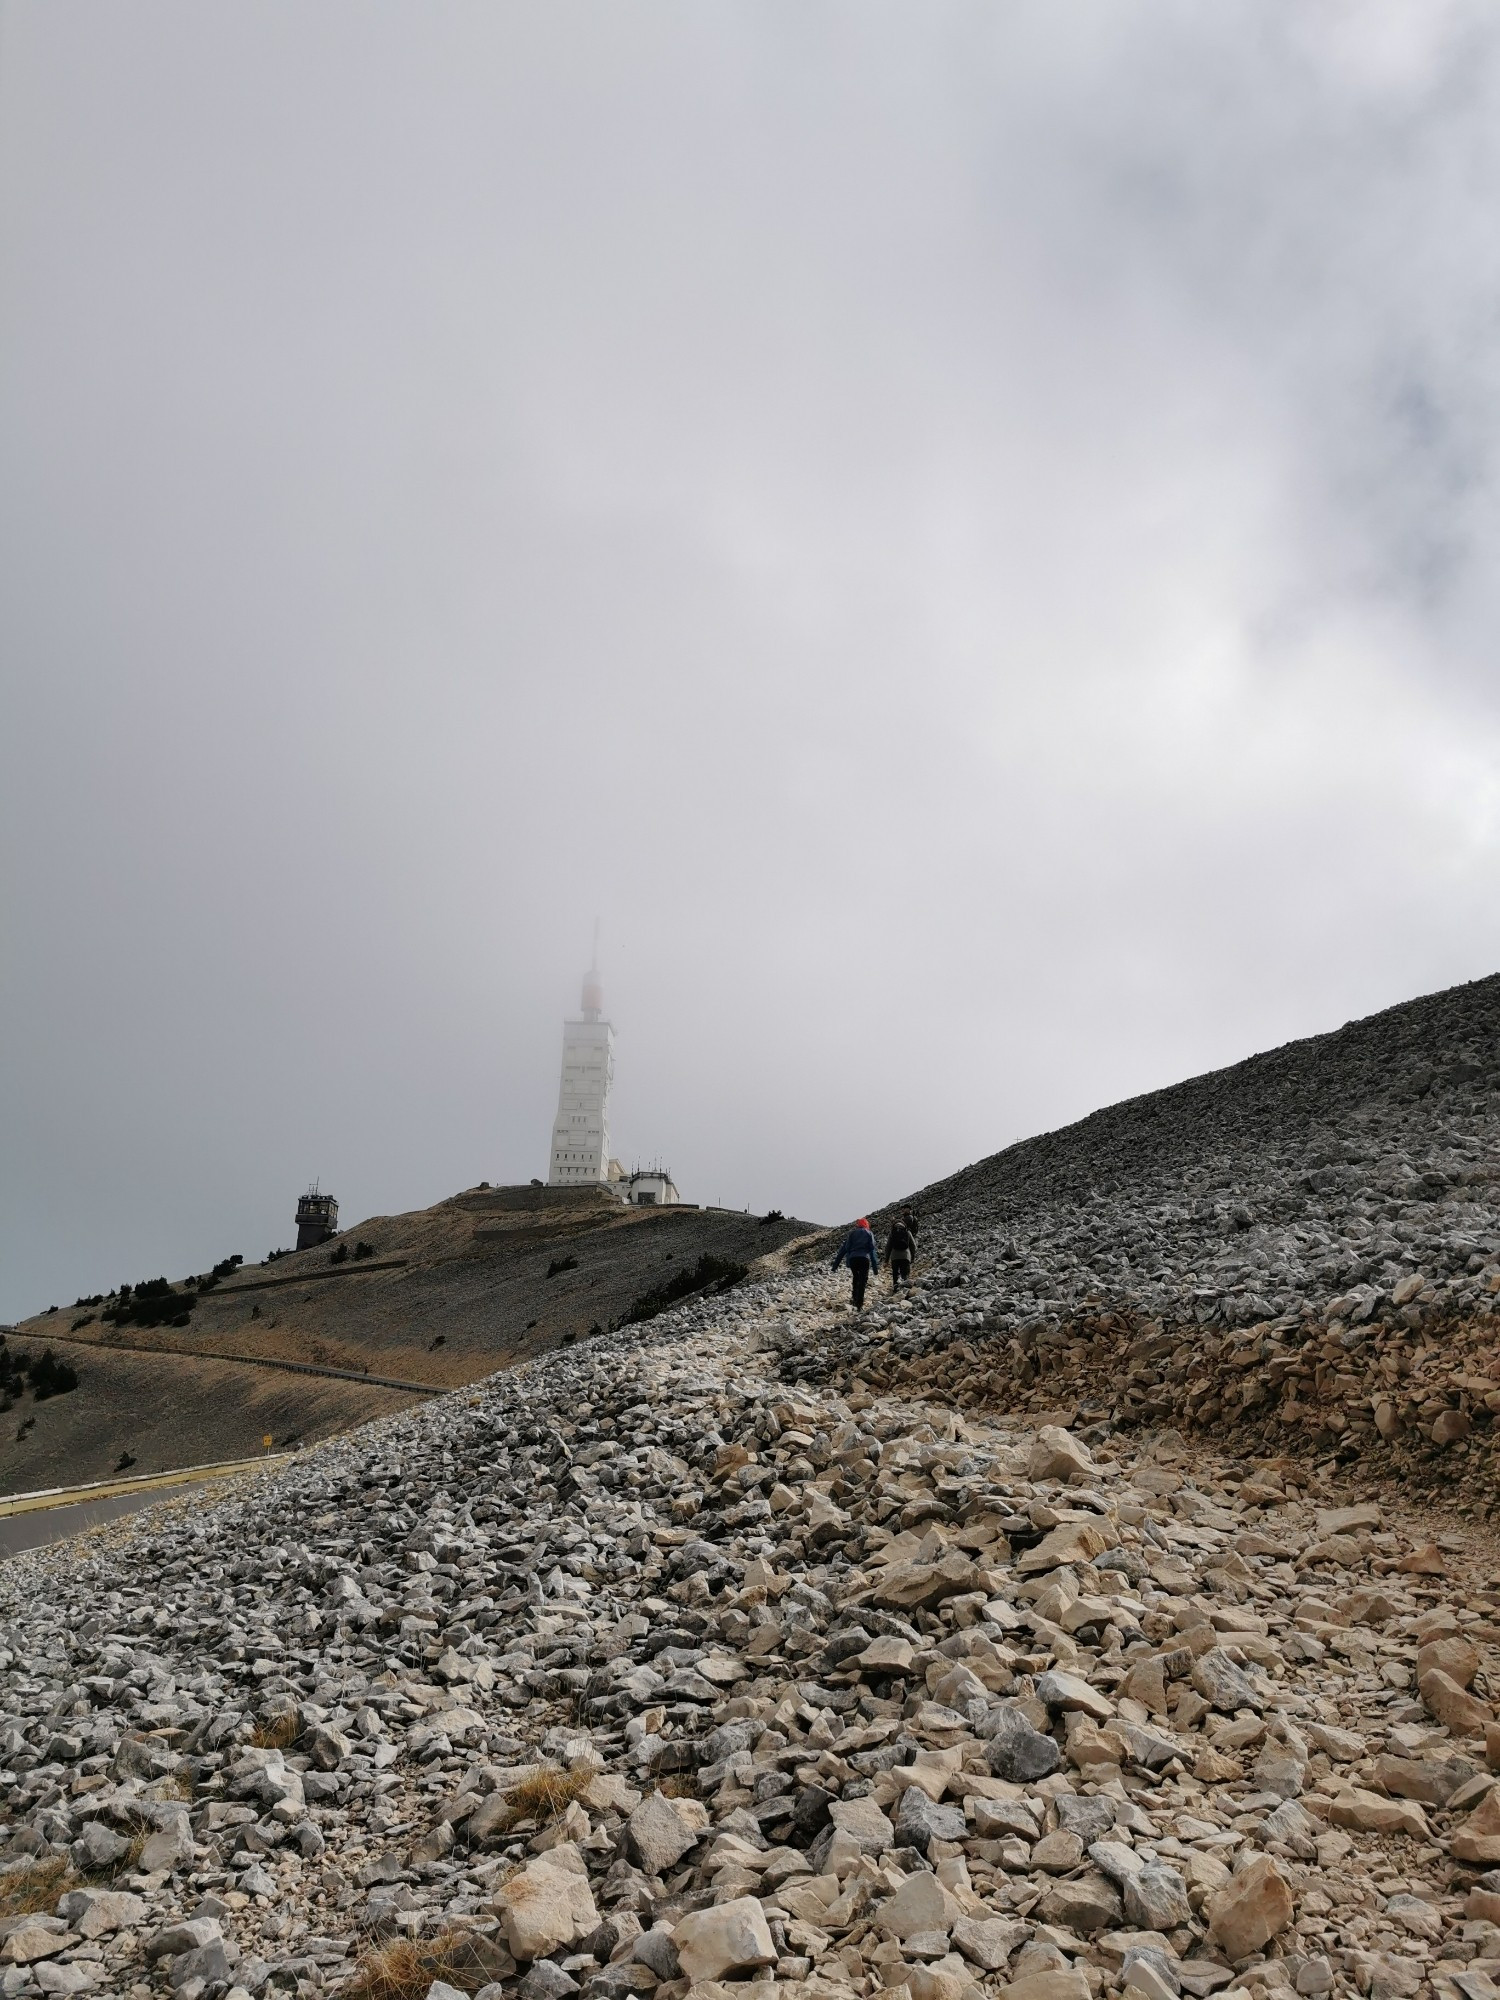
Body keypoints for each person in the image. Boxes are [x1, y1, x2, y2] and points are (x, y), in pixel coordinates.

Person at [831, 1216, 879, 1309]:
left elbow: (846, 1248)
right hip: (864, 1258)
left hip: (853, 1259)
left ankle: (854, 1297)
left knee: (856, 1277)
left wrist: (835, 1266)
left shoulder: (852, 1233)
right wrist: (875, 1268)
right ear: (866, 1225)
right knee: (862, 1280)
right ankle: (859, 1303)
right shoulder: (869, 1233)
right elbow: (872, 1248)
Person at [885, 1210, 918, 1290]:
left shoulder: (892, 1233)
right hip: (906, 1256)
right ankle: (904, 1290)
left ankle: (895, 1288)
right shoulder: (908, 1232)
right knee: (905, 1274)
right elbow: (913, 1246)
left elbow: (888, 1247)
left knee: (895, 1274)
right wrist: (912, 1257)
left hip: (894, 1256)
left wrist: (886, 1259)